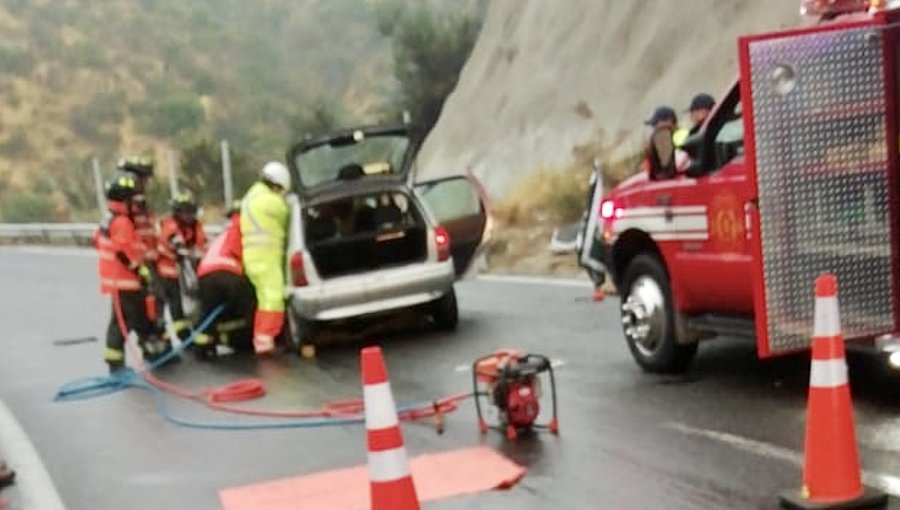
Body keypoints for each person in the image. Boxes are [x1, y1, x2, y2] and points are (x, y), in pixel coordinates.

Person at [93, 175, 173, 373]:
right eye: (131, 200)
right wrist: (141, 270)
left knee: (141, 318)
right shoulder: (121, 223)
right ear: (124, 200)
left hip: (124, 282)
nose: (135, 205)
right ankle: (116, 364)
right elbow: (123, 251)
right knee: (122, 324)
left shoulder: (110, 220)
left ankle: (154, 352)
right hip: (125, 282)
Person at [193, 201, 256, 360]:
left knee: (208, 314)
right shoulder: (242, 228)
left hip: (205, 276)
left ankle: (204, 347)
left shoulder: (222, 234)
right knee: (250, 308)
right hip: (229, 274)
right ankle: (251, 339)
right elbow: (240, 253)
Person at [241, 162, 292, 355]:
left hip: (253, 258)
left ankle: (262, 340)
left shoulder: (251, 197)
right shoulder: (270, 201)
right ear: (277, 185)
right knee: (273, 297)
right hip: (266, 257)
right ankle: (265, 340)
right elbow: (288, 214)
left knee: (264, 298)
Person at [156, 191, 207, 341]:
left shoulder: (195, 225)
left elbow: (201, 243)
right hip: (168, 271)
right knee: (175, 303)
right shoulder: (170, 225)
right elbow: (176, 244)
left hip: (186, 270)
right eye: (185, 212)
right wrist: (190, 253)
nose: (189, 215)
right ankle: (183, 335)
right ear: (178, 212)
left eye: (191, 211)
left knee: (195, 299)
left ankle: (196, 327)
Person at [642, 106, 678, 179]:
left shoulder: (663, 136)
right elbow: (666, 168)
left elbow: (665, 168)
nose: (654, 128)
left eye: (655, 124)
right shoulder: (663, 135)